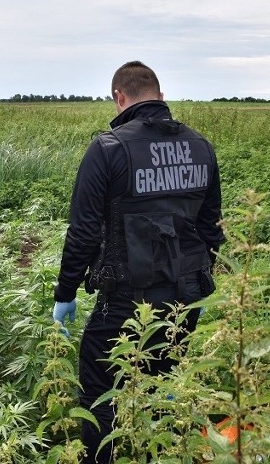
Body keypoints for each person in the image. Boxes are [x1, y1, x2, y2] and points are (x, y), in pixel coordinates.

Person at [52, 61, 225, 463]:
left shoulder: (108, 148)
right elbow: (213, 228)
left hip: (126, 300)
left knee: (99, 392)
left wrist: (65, 294)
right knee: (165, 382)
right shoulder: (200, 146)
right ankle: (163, 451)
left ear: (119, 98)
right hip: (188, 297)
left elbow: (82, 232)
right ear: (161, 97)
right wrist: (199, 278)